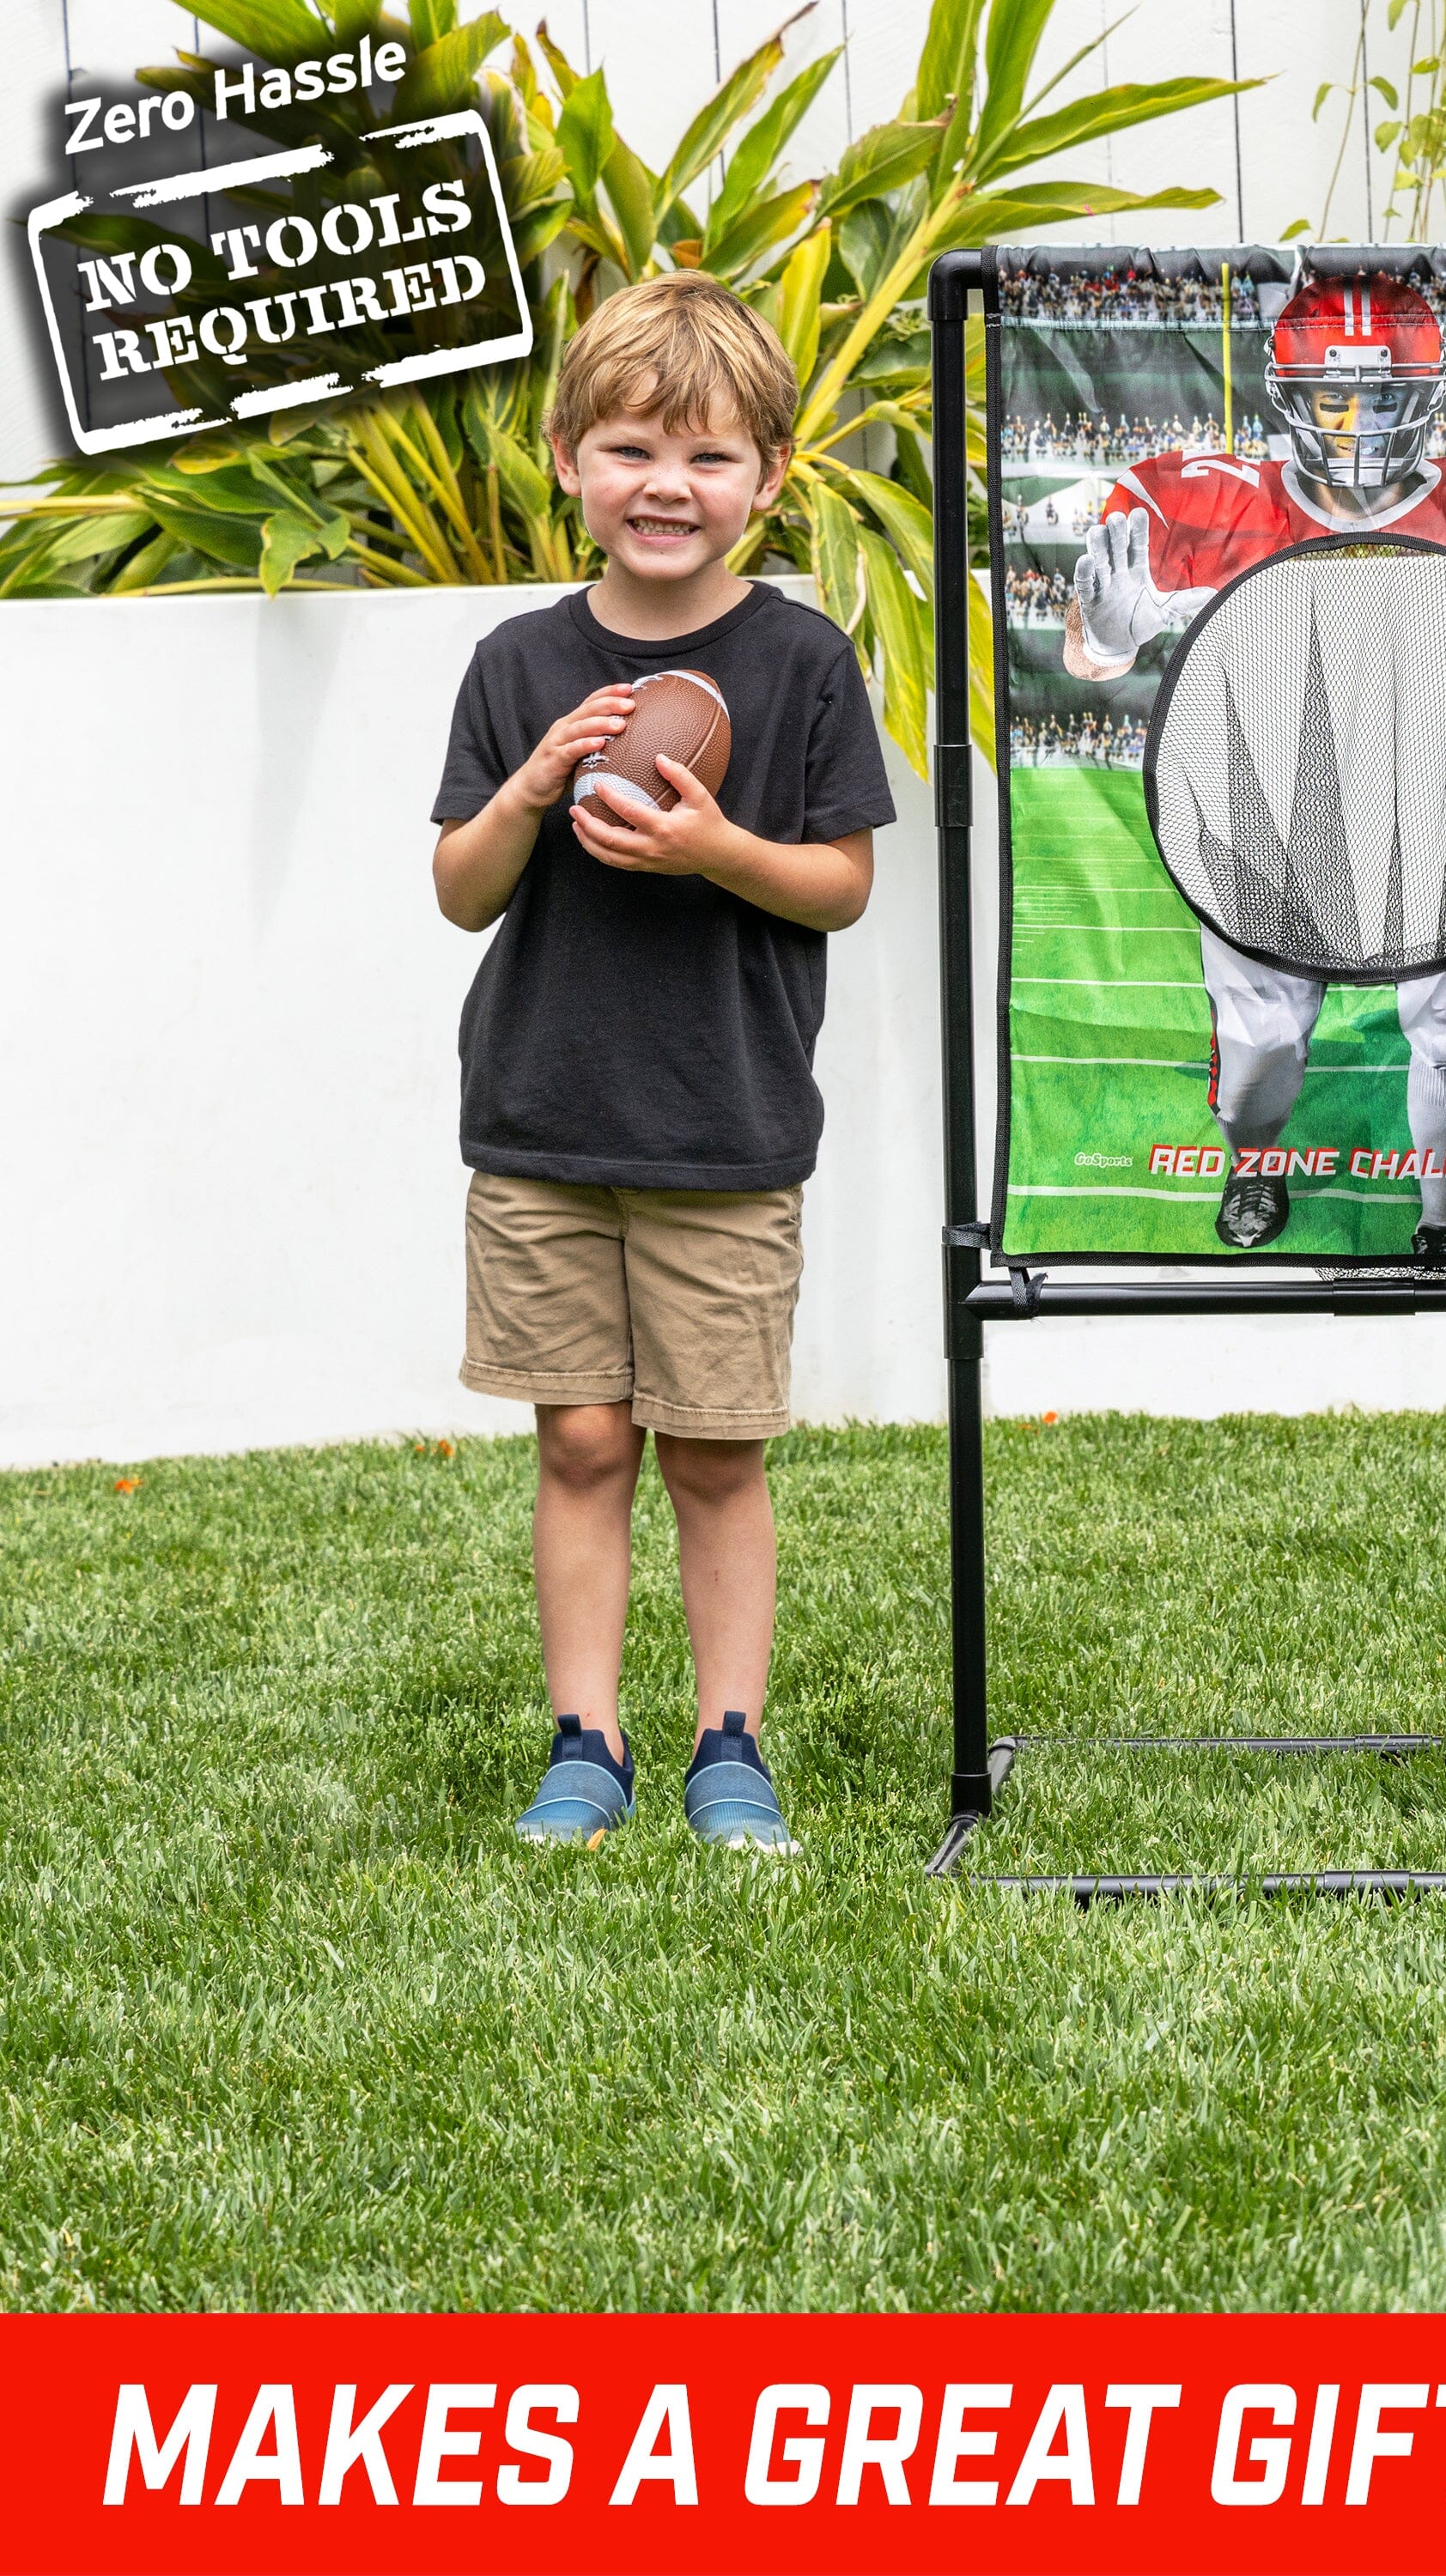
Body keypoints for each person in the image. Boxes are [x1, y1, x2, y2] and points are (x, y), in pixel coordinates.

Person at [429, 273, 894, 1853]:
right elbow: (460, 890)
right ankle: (585, 1739)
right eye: (630, 449)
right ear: (567, 459)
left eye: (705, 459)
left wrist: (715, 848)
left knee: (710, 1445)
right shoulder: (515, 663)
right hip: (543, 1116)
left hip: (729, 1120)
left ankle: (730, 1743)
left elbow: (841, 882)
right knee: (577, 1436)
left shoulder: (804, 662)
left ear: (766, 477)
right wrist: (534, 785)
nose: (666, 487)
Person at [1060, 270, 1446, 1262]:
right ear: (1286, 397)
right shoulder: (1198, 502)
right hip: (1260, 821)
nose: (1357, 420)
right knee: (1257, 1060)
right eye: (1334, 395)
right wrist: (1108, 642)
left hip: (1438, 812)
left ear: (1427, 393)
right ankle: (1256, 1164)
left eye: (1383, 393)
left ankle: (1443, 1225)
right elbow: (1089, 649)